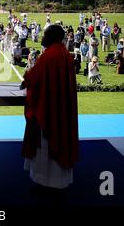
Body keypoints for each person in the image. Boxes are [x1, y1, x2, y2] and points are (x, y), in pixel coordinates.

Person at [22, 25, 78, 190]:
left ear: (52, 36)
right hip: (61, 108)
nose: (42, 37)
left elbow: (33, 77)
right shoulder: (64, 53)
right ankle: (58, 178)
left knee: (47, 143)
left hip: (48, 110)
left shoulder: (49, 55)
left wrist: (26, 79)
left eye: (45, 34)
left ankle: (45, 179)